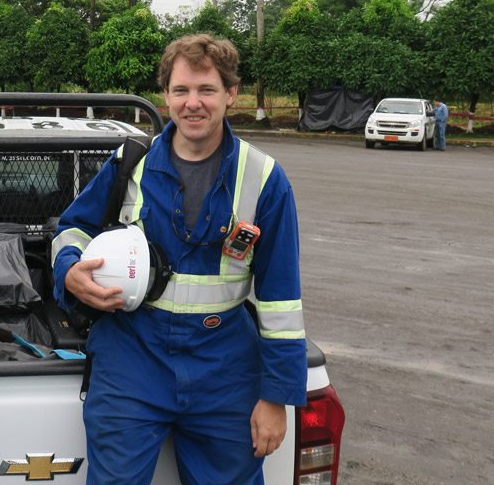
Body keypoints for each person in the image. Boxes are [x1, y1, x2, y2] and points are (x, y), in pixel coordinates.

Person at [52, 34, 307, 484]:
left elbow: (281, 299)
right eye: (181, 90)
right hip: (131, 359)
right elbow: (73, 228)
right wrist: (69, 268)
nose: (193, 103)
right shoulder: (130, 163)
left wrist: (277, 397)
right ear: (165, 96)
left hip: (225, 369)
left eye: (207, 90)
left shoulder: (265, 178)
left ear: (231, 94)